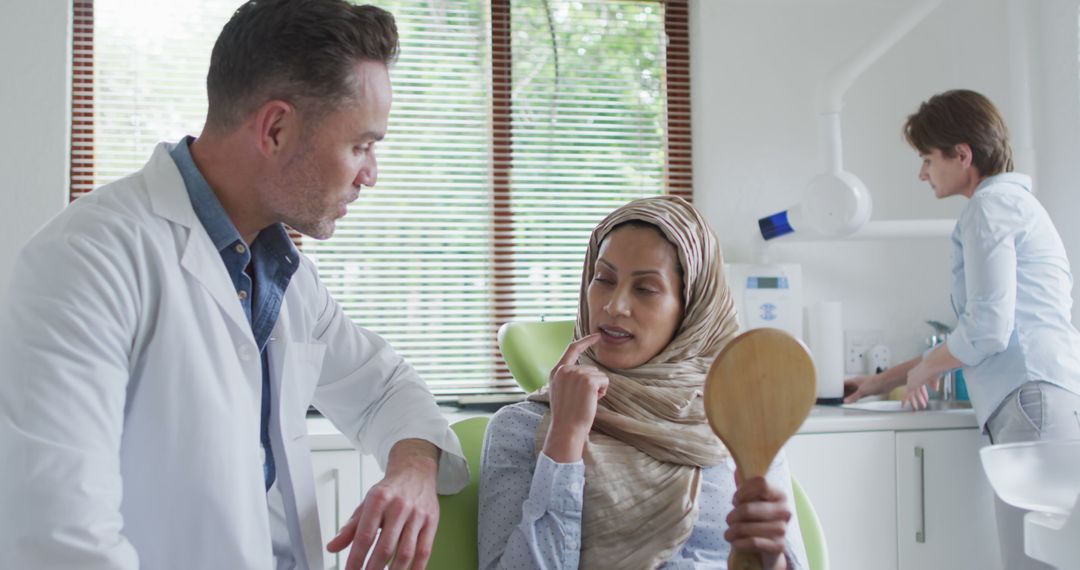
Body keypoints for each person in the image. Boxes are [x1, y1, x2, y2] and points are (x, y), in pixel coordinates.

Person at [0, 2, 468, 569]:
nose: (370, 174)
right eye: (361, 146)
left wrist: (414, 469)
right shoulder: (87, 262)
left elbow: (385, 388)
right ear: (275, 128)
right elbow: (61, 542)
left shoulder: (281, 271)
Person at [478, 196, 809, 569]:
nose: (615, 306)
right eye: (603, 280)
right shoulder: (520, 429)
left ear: (691, 310)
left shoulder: (742, 424)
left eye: (645, 289)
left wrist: (771, 558)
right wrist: (565, 438)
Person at [844, 89, 1080, 569]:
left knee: (1031, 564)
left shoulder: (988, 209)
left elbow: (988, 329)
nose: (922, 173)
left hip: (1030, 403)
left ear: (963, 155)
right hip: (1038, 400)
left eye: (928, 158)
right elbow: (973, 330)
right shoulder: (1011, 206)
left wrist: (927, 370)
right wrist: (883, 381)